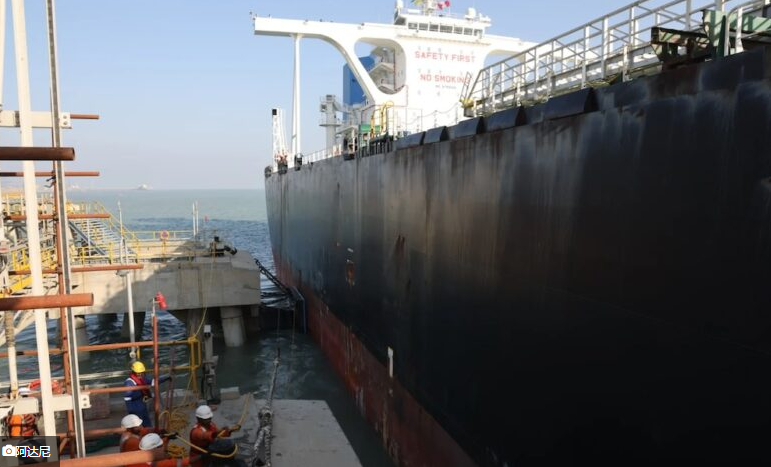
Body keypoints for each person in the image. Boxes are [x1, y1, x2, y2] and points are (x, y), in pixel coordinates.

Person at [124, 361, 171, 427]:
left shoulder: (142, 380)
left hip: (143, 407)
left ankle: (149, 432)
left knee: (147, 425)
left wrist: (166, 378)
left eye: (141, 372)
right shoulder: (129, 382)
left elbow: (153, 382)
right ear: (133, 372)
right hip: (135, 409)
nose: (140, 374)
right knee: (137, 427)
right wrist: (131, 412)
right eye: (138, 373)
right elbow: (127, 398)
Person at [126, 433, 198, 467]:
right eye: (161, 446)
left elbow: (156, 448)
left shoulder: (135, 456)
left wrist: (168, 438)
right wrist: (202, 456)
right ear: (154, 450)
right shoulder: (156, 464)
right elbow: (183, 462)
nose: (163, 447)